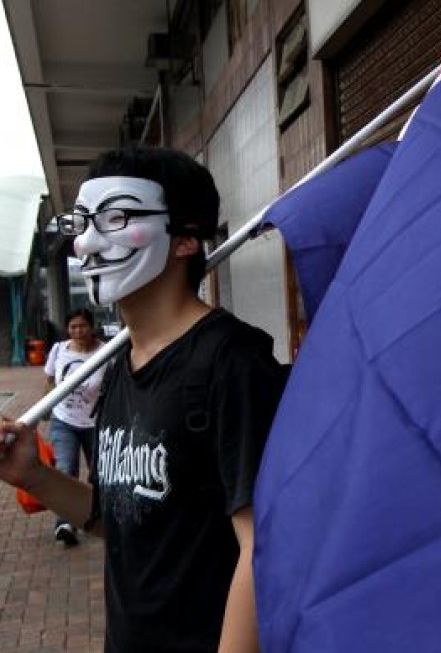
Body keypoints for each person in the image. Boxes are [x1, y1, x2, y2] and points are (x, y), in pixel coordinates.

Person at [0, 148, 287, 652]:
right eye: (83, 221)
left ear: (185, 240)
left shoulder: (233, 363)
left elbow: (264, 548)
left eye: (116, 217)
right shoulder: (118, 366)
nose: (87, 242)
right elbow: (125, 521)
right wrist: (35, 475)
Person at [43, 308, 105, 546]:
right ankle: (65, 523)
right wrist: (45, 409)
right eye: (73, 327)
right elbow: (49, 380)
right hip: (63, 420)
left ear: (92, 327)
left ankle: (99, 516)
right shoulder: (59, 350)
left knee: (99, 472)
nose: (78, 331)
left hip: (96, 422)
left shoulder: (106, 352)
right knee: (65, 468)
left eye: (82, 326)